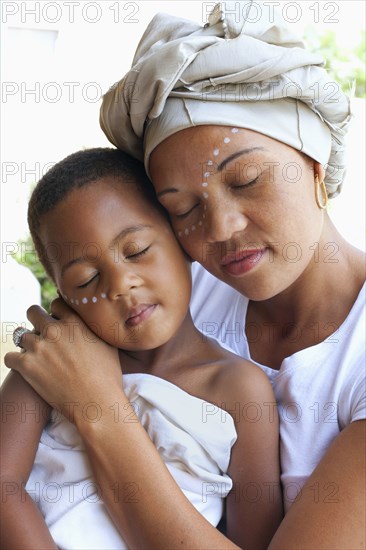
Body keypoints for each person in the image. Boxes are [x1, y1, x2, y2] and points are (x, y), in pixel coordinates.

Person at [4, 1, 365, 548]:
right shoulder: (164, 293)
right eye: (180, 208)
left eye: (246, 179)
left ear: (315, 164)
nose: (220, 228)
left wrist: (99, 409)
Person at [1, 147, 282, 550]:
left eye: (136, 252)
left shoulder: (237, 388)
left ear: (183, 240)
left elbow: (255, 540)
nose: (120, 284)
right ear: (64, 297)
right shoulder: (51, 365)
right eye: (86, 280)